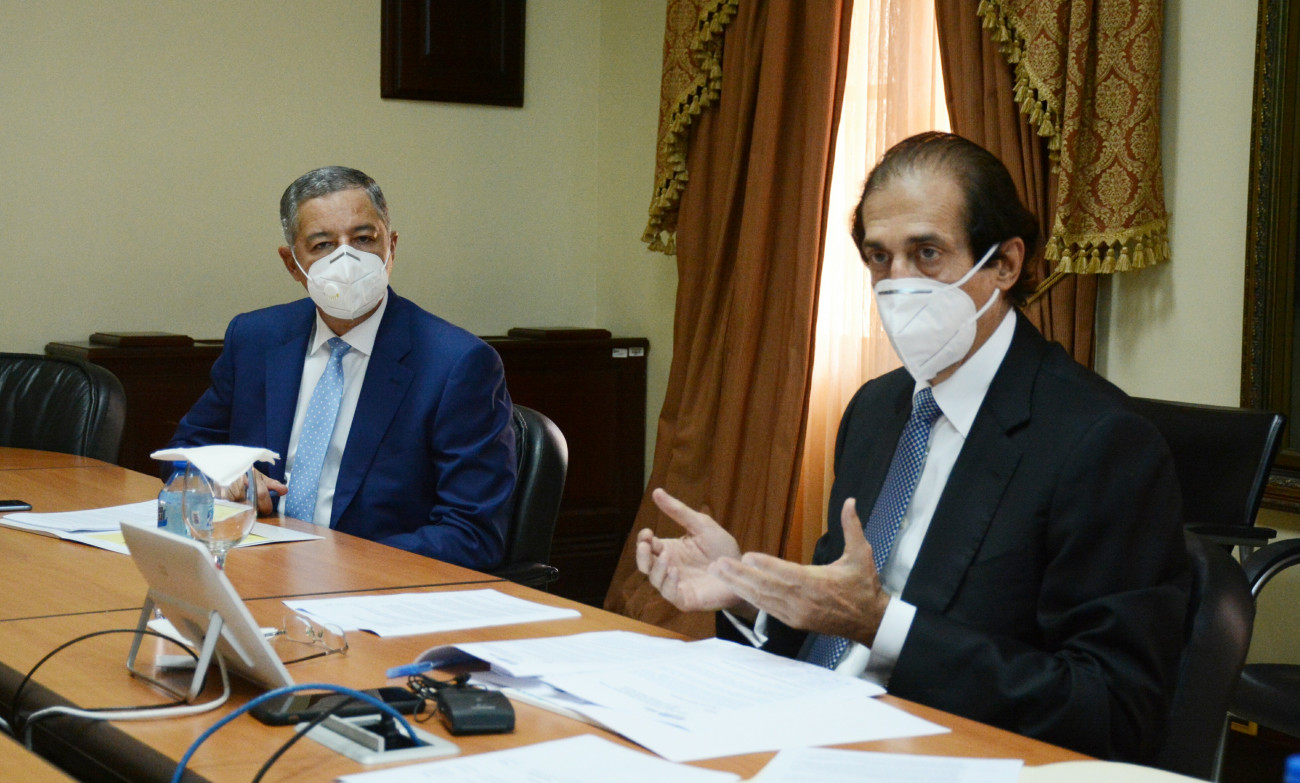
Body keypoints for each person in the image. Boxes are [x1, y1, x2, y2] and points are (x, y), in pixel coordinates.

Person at [635, 132, 1190, 761]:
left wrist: (882, 624)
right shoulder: (876, 409)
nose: (898, 284)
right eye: (880, 258)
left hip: (946, 754)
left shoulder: (1101, 441)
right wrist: (747, 592)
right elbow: (835, 625)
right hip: (805, 733)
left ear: (1005, 265)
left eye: (927, 253)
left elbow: (1111, 708)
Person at [168, 166, 516, 570]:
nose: (346, 258)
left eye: (364, 239)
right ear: (292, 264)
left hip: (371, 584)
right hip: (256, 568)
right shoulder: (256, 338)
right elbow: (184, 452)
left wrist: (338, 565)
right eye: (323, 245)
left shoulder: (457, 363)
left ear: (392, 247)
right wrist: (218, 476)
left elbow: (472, 534)